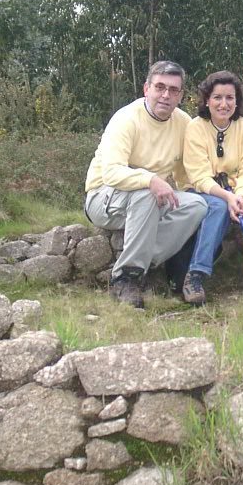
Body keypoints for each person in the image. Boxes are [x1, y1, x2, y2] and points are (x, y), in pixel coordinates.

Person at [84, 60, 208, 309]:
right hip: (104, 198)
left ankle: (146, 262)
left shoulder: (183, 123)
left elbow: (184, 174)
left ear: (181, 95)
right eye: (160, 87)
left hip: (149, 198)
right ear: (146, 89)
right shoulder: (126, 119)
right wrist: (150, 179)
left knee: (197, 205)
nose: (166, 95)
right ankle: (125, 279)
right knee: (147, 192)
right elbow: (111, 173)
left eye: (173, 90)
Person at [181, 71, 243, 304]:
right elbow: (198, 176)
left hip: (238, 191)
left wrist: (238, 196)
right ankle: (196, 275)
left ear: (237, 100)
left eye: (230, 98)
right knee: (219, 207)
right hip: (203, 191)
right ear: (207, 100)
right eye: (217, 97)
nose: (224, 104)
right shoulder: (195, 127)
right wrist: (227, 198)